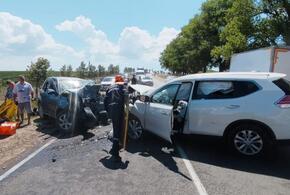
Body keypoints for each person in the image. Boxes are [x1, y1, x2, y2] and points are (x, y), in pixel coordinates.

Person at [104, 75, 126, 163]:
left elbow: (105, 101)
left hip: (112, 112)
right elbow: (126, 99)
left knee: (116, 129)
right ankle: (115, 152)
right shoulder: (122, 88)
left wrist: (109, 112)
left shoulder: (109, 88)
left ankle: (115, 147)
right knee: (117, 131)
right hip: (118, 112)